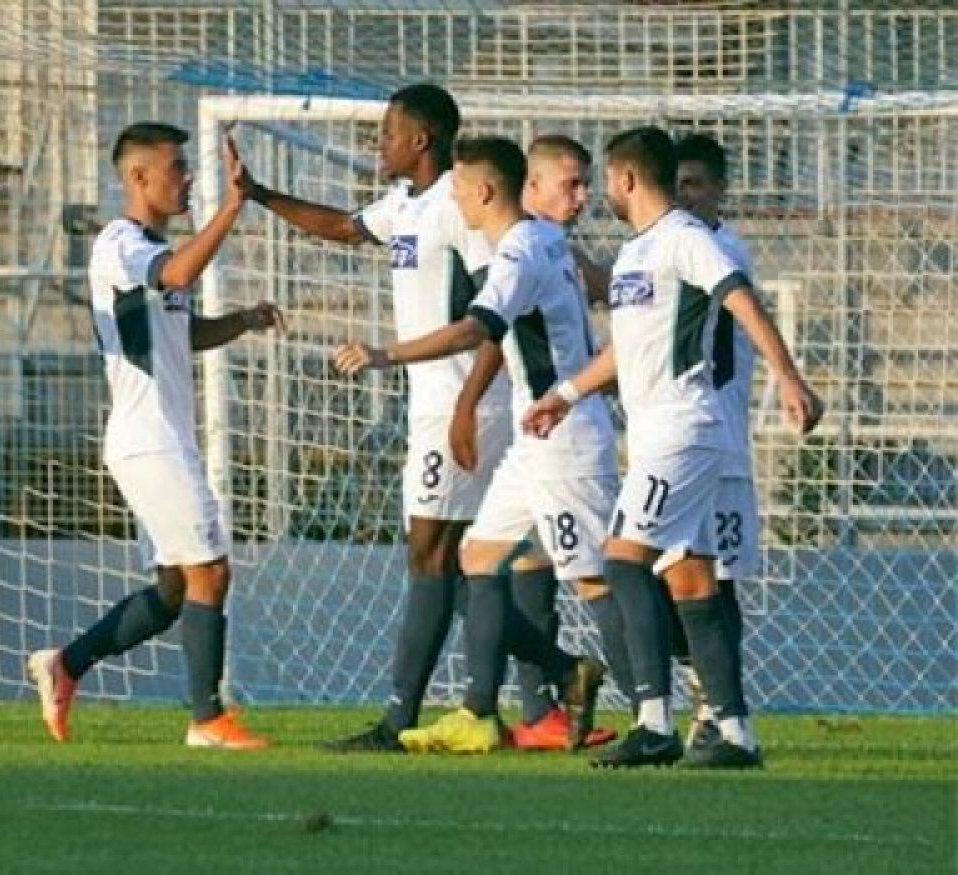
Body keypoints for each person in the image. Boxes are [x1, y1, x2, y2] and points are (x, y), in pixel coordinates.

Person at [523, 126, 822, 768]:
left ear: (627, 179)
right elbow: (628, 350)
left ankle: (653, 722)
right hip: (663, 433)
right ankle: (735, 733)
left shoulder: (687, 238)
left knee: (623, 562)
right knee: (691, 582)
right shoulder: (637, 253)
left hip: (686, 430)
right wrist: (564, 395)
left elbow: (740, 297)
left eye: (607, 179)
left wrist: (788, 376)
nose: (603, 192)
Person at [238, 82, 514, 753]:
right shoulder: (403, 203)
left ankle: (400, 720)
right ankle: (551, 676)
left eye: (388, 131)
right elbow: (342, 227)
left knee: (432, 554)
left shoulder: (459, 206)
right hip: (433, 402)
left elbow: (497, 316)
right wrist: (260, 195)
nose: (378, 142)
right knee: (453, 558)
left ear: (421, 139)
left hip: (463, 403)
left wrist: (467, 406)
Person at [332, 137, 609, 754]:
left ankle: (658, 709)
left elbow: (481, 328)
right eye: (572, 184)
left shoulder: (519, 247)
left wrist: (394, 360)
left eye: (458, 189)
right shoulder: (543, 242)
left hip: (551, 430)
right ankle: (503, 704)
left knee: (592, 578)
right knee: (482, 559)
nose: (452, 198)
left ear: (485, 189)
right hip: (533, 428)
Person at [27, 122, 284, 749]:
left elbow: (181, 330)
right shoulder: (121, 244)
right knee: (210, 572)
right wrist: (233, 208)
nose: (188, 178)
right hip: (149, 439)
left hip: (163, 438)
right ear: (139, 177)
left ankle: (67, 664)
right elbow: (176, 276)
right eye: (176, 167)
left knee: (174, 589)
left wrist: (242, 321)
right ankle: (207, 720)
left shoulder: (149, 250)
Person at [672, 132, 758, 753]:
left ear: (720, 190)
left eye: (696, 184)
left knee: (715, 581)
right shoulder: (675, 249)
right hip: (683, 444)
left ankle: (720, 711)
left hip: (720, 443)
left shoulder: (722, 252)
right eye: (675, 185)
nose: (685, 196)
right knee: (664, 574)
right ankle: (711, 700)